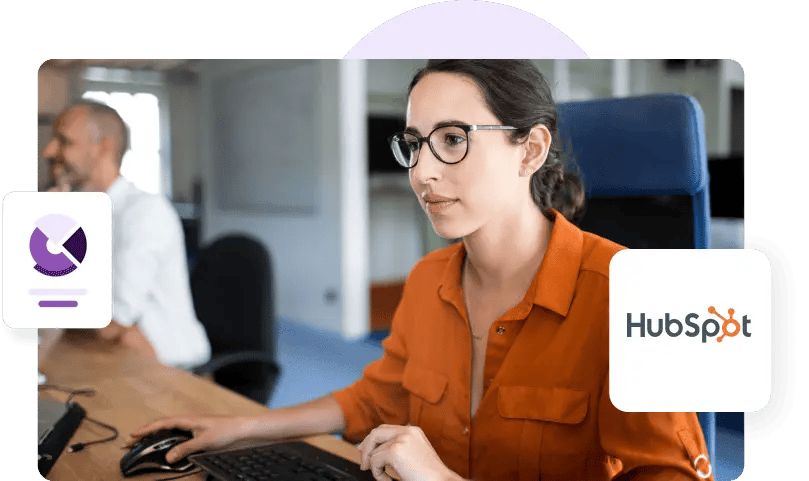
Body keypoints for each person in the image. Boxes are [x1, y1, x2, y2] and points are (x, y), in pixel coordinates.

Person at [132, 61, 714, 480]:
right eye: (415, 144)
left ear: (531, 150)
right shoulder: (428, 279)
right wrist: (239, 428)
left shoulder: (627, 293)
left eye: (453, 140)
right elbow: (373, 400)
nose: (423, 172)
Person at [42, 99, 211, 369]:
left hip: (170, 369)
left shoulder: (144, 212)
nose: (49, 151)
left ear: (104, 147)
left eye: (65, 141)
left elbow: (110, 324)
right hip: (114, 356)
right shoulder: (83, 213)